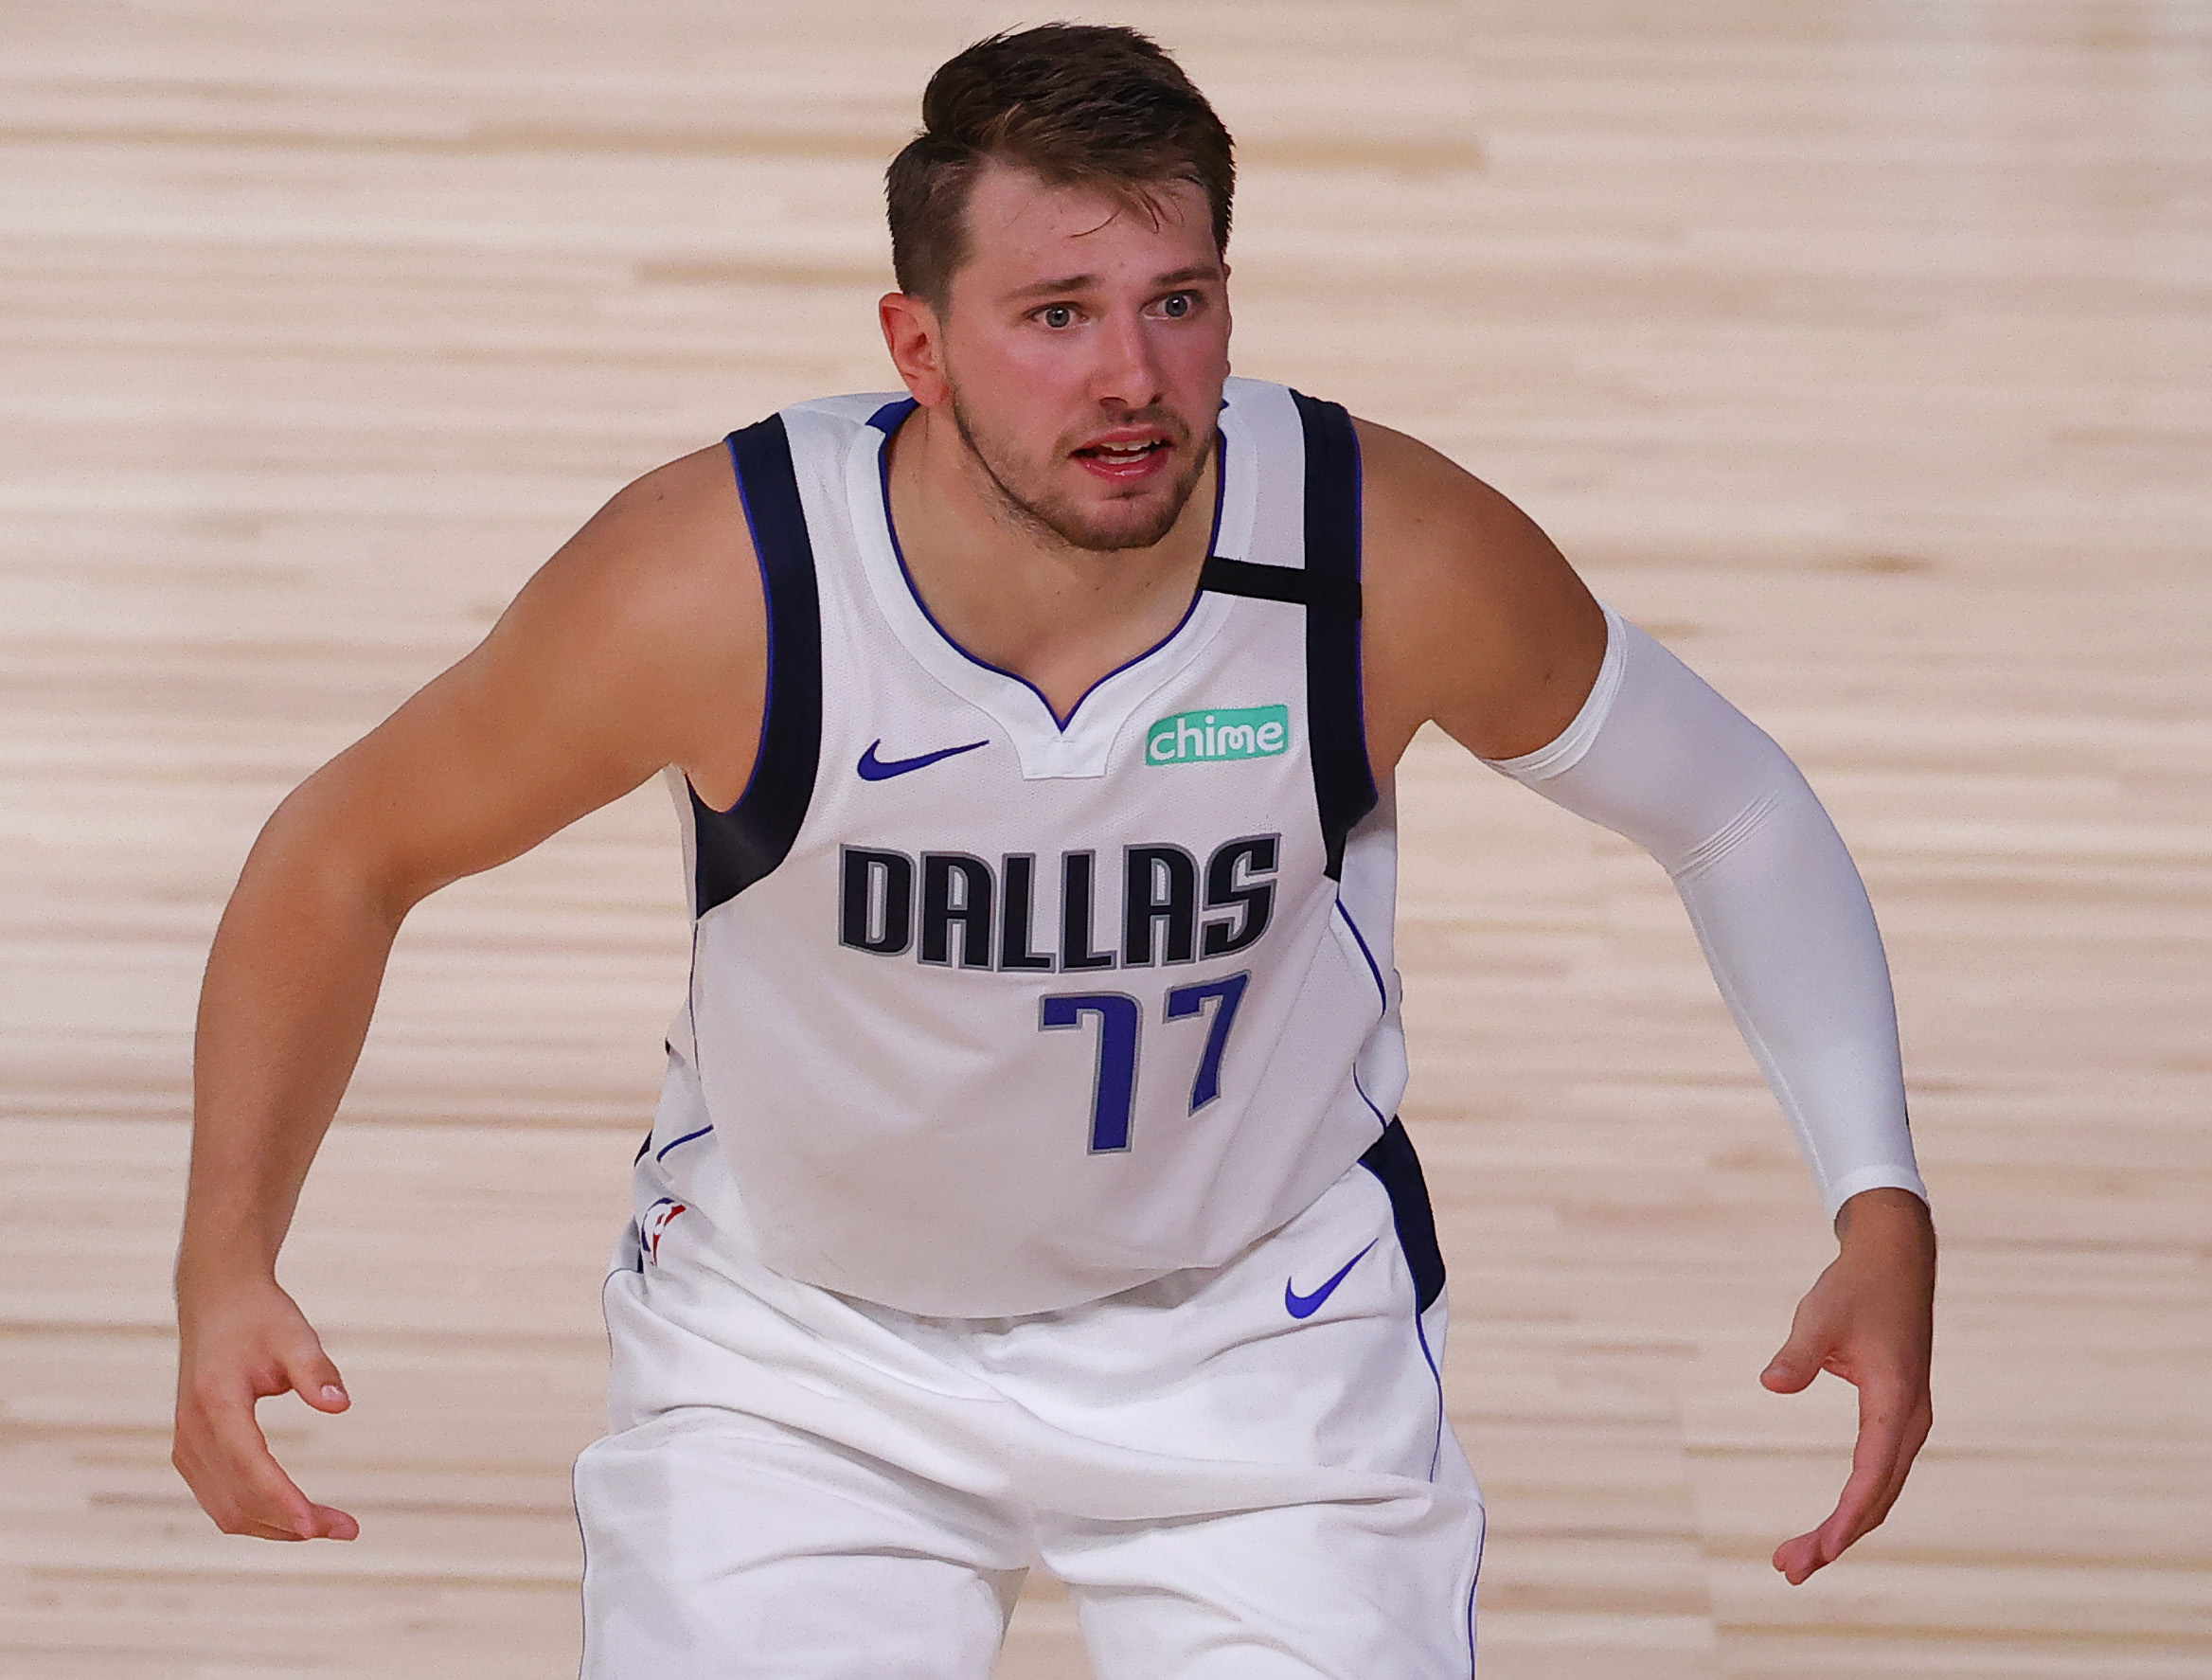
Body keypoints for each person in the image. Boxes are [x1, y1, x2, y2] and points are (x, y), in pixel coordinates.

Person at [171, 23, 1936, 1678]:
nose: (1132, 377)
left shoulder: (1385, 554)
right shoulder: (723, 586)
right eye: (1056, 314)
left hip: (1261, 1338)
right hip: (801, 1352)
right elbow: (344, 851)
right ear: (917, 347)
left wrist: (1880, 1198)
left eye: (1179, 302)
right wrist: (226, 1257)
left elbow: (1731, 808)